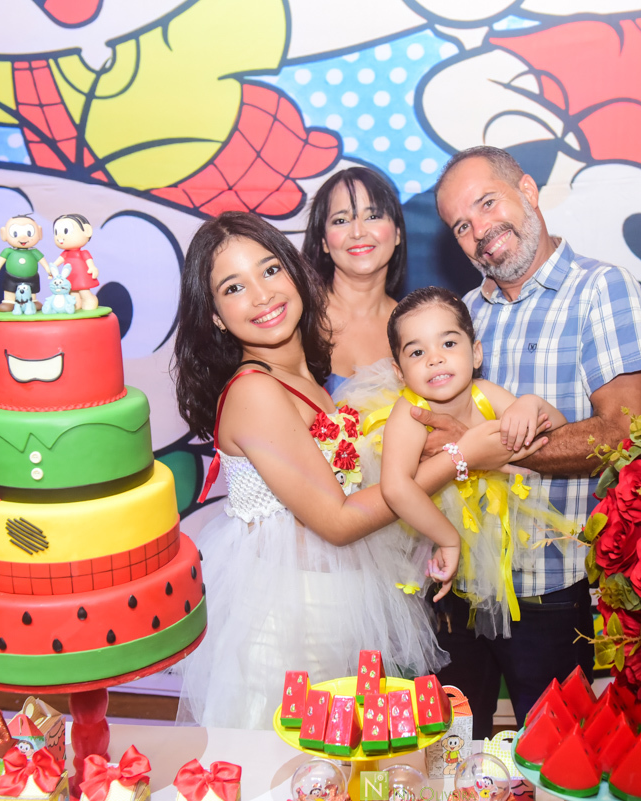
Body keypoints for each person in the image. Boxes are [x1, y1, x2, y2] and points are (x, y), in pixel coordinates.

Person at [170, 211, 545, 730]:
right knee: (279, 761)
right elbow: (339, 520)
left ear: (295, 274)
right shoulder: (256, 390)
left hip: (333, 607)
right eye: (234, 287)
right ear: (214, 315)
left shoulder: (305, 377)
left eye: (270, 270)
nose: (261, 295)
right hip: (285, 622)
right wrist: (460, 458)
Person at [426, 145, 641, 737]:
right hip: (459, 586)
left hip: (552, 586)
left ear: (527, 191)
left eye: (487, 203)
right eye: (461, 225)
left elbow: (623, 434)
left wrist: (480, 448)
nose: (480, 230)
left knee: (555, 755)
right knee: (452, 749)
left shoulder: (602, 289)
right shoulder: (460, 316)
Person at [347, 286, 572, 639]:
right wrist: (448, 539)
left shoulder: (485, 394)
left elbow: (556, 430)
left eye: (449, 343)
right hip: (423, 528)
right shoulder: (410, 413)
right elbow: (396, 488)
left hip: (490, 533)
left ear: (476, 352)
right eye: (417, 352)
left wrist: (531, 404)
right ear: (400, 372)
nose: (435, 359)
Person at [302, 167, 407, 400]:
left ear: (398, 232)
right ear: (324, 242)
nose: (358, 232)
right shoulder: (298, 320)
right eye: (341, 220)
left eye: (372, 216)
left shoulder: (414, 326)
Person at [0, 214, 51, 312]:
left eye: (29, 233)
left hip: (31, 277)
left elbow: (43, 262)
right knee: (10, 289)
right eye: (15, 233)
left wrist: (48, 270)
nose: (23, 237)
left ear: (40, 233)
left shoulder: (34, 252)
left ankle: (32, 300)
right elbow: (0, 262)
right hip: (11, 277)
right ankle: (9, 301)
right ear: (4, 234)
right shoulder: (8, 251)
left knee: (32, 289)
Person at [50, 213, 101, 311]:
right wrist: (51, 270)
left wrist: (92, 268)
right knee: (72, 291)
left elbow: (90, 262)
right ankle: (76, 303)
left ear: (87, 231)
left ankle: (90, 299)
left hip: (82, 276)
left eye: (66, 231)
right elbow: (55, 264)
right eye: (56, 232)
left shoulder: (84, 253)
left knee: (83, 290)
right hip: (69, 276)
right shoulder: (65, 254)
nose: (60, 236)